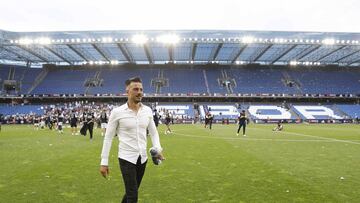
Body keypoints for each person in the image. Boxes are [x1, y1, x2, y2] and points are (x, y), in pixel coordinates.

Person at [99, 77, 165, 203]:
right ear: (127, 91)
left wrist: (158, 149)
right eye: (135, 89)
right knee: (132, 196)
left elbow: (154, 133)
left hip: (143, 158)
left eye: (141, 89)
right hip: (126, 158)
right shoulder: (117, 112)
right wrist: (104, 162)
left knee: (131, 192)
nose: (139, 92)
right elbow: (108, 138)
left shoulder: (147, 111)